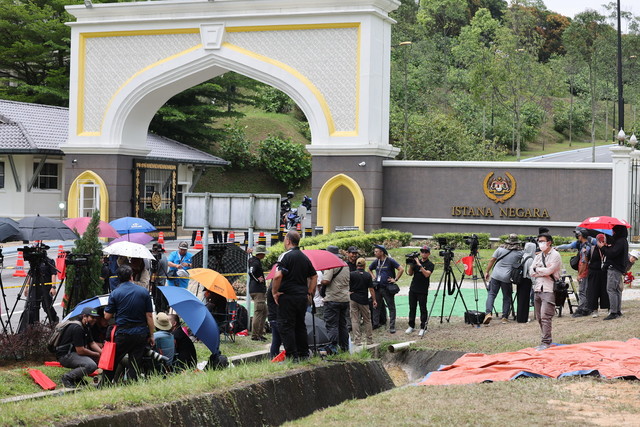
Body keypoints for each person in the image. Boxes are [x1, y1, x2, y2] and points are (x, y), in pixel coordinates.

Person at [104, 264, 155, 382]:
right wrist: (151, 335)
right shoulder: (143, 292)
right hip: (140, 333)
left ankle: (105, 384)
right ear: (131, 277)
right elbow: (149, 316)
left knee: (114, 360)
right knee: (135, 362)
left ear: (118, 278)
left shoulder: (115, 293)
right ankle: (132, 384)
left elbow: (107, 316)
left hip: (123, 333)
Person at [271, 230, 317, 361]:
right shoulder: (304, 257)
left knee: (286, 326)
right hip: (302, 296)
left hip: (288, 296)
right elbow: (314, 276)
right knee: (300, 325)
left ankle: (292, 356)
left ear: (288, 241)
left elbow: (278, 276)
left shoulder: (285, 256)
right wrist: (310, 291)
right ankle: (303, 354)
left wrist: (274, 292)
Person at [529, 233, 562, 350]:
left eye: (542, 241)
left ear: (549, 242)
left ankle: (546, 342)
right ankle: (544, 339)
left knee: (545, 316)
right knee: (538, 317)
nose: (540, 243)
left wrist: (537, 270)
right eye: (539, 241)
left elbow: (549, 271)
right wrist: (540, 270)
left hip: (549, 289)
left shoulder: (555, 255)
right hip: (538, 288)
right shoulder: (538, 256)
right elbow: (530, 271)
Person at [57, 307, 102, 388]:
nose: (94, 320)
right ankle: (67, 377)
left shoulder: (86, 327)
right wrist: (96, 354)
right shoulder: (77, 328)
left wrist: (102, 353)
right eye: (92, 317)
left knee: (96, 359)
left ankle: (77, 378)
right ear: (84, 316)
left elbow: (91, 343)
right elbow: (80, 351)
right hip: (65, 356)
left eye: (96, 318)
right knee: (91, 365)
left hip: (73, 354)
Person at [483, 234, 522, 325]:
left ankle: (488, 313)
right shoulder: (520, 252)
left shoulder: (500, 249)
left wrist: (487, 271)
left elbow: (492, 260)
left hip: (496, 275)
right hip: (507, 277)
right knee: (507, 297)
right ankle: (504, 317)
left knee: (491, 294)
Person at [557, 229, 595, 317]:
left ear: (581, 236)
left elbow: (583, 263)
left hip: (585, 272)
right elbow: (568, 246)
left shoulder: (585, 248)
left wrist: (580, 274)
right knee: (586, 290)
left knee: (582, 291)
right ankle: (587, 308)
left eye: (578, 235)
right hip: (588, 271)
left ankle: (582, 309)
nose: (577, 236)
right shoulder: (585, 245)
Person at [19, 251, 59, 332]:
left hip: (46, 288)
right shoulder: (35, 263)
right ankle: (32, 327)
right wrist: (26, 288)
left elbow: (53, 274)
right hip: (35, 288)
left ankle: (54, 322)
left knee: (47, 306)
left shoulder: (49, 262)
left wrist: (53, 287)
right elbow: (30, 275)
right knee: (32, 307)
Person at [321, 246, 351, 352]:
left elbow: (326, 281)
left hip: (333, 298)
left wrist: (320, 281)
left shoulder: (331, 264)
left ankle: (333, 347)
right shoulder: (345, 264)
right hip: (344, 299)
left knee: (331, 324)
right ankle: (345, 347)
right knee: (342, 324)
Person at [369, 244, 403, 334]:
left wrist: (395, 279)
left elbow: (401, 269)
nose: (375, 253)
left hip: (387, 288)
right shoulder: (376, 261)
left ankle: (392, 326)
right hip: (377, 288)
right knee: (376, 306)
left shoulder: (390, 261)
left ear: (382, 252)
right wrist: (373, 277)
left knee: (391, 307)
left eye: (376, 251)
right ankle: (375, 324)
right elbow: (369, 269)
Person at [598, 224, 629, 320]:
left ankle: (614, 312)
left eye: (614, 231)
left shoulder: (620, 241)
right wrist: (608, 247)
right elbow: (614, 251)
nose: (612, 233)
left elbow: (612, 253)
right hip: (619, 268)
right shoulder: (623, 241)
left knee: (611, 289)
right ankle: (617, 311)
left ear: (618, 231)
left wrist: (602, 248)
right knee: (617, 290)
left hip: (614, 268)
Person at [405, 246, 434, 336]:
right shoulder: (416, 262)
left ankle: (423, 327)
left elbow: (427, 274)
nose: (424, 253)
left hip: (423, 290)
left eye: (426, 252)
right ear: (420, 253)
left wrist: (419, 265)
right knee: (412, 308)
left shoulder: (430, 264)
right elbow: (410, 273)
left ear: (429, 254)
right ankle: (411, 325)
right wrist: (411, 264)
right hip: (413, 288)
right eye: (422, 252)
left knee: (423, 308)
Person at [349, 257, 376, 346]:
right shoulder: (367, 275)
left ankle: (357, 341)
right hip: (363, 300)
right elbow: (371, 289)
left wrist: (349, 292)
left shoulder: (351, 274)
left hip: (353, 299)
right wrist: (374, 300)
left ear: (356, 265)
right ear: (364, 265)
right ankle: (369, 340)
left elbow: (346, 284)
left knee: (354, 320)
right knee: (367, 320)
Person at [586, 233, 610, 317]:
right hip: (594, 272)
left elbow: (609, 256)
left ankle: (609, 308)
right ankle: (594, 310)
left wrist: (603, 248)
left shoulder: (607, 248)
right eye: (599, 241)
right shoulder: (592, 249)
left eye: (603, 240)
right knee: (593, 291)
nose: (601, 242)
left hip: (604, 272)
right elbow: (587, 259)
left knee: (605, 290)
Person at [249, 245, 268, 342]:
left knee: (264, 311)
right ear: (260, 254)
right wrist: (258, 280)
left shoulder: (253, 260)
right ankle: (255, 335)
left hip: (256, 290)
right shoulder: (255, 262)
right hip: (258, 290)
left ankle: (260, 333)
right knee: (259, 312)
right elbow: (251, 272)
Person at [516, 242, 536, 323]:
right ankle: (523, 318)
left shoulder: (522, 256)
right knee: (525, 300)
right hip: (526, 281)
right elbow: (531, 273)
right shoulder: (530, 259)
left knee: (520, 299)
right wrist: (534, 282)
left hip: (520, 280)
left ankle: (519, 317)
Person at [266, 280, 283, 358]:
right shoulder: (274, 291)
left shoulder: (271, 289)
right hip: (277, 317)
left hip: (273, 317)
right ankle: (275, 357)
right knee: (282, 339)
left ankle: (273, 358)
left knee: (276, 341)